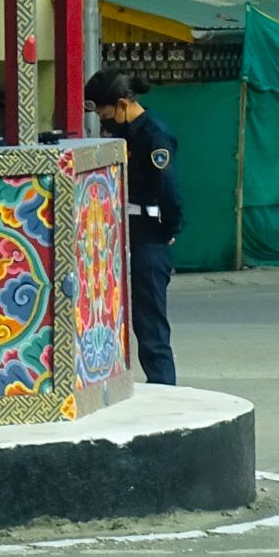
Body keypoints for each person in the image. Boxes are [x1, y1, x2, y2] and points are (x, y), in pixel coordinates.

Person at [85, 67, 182, 386]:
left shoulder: (155, 136)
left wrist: (170, 229)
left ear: (123, 104)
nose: (103, 120)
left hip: (148, 236)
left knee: (150, 325)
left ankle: (165, 391)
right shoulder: (120, 134)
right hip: (116, 233)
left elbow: (168, 190)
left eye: (105, 112)